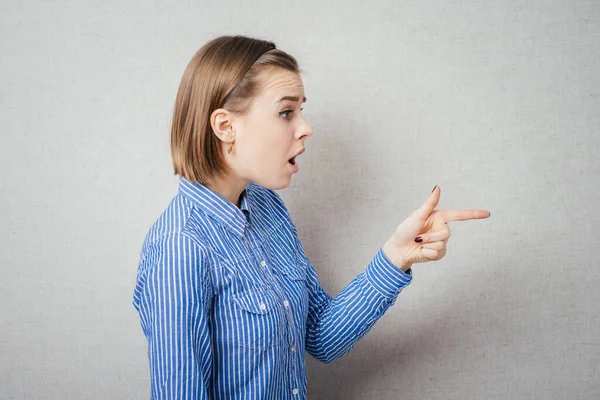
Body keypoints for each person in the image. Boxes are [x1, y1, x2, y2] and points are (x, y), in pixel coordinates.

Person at [132, 34, 491, 399]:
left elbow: (321, 336)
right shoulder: (180, 248)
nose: (306, 127)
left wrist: (398, 255)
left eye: (301, 110)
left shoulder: (266, 206)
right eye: (287, 112)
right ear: (226, 127)